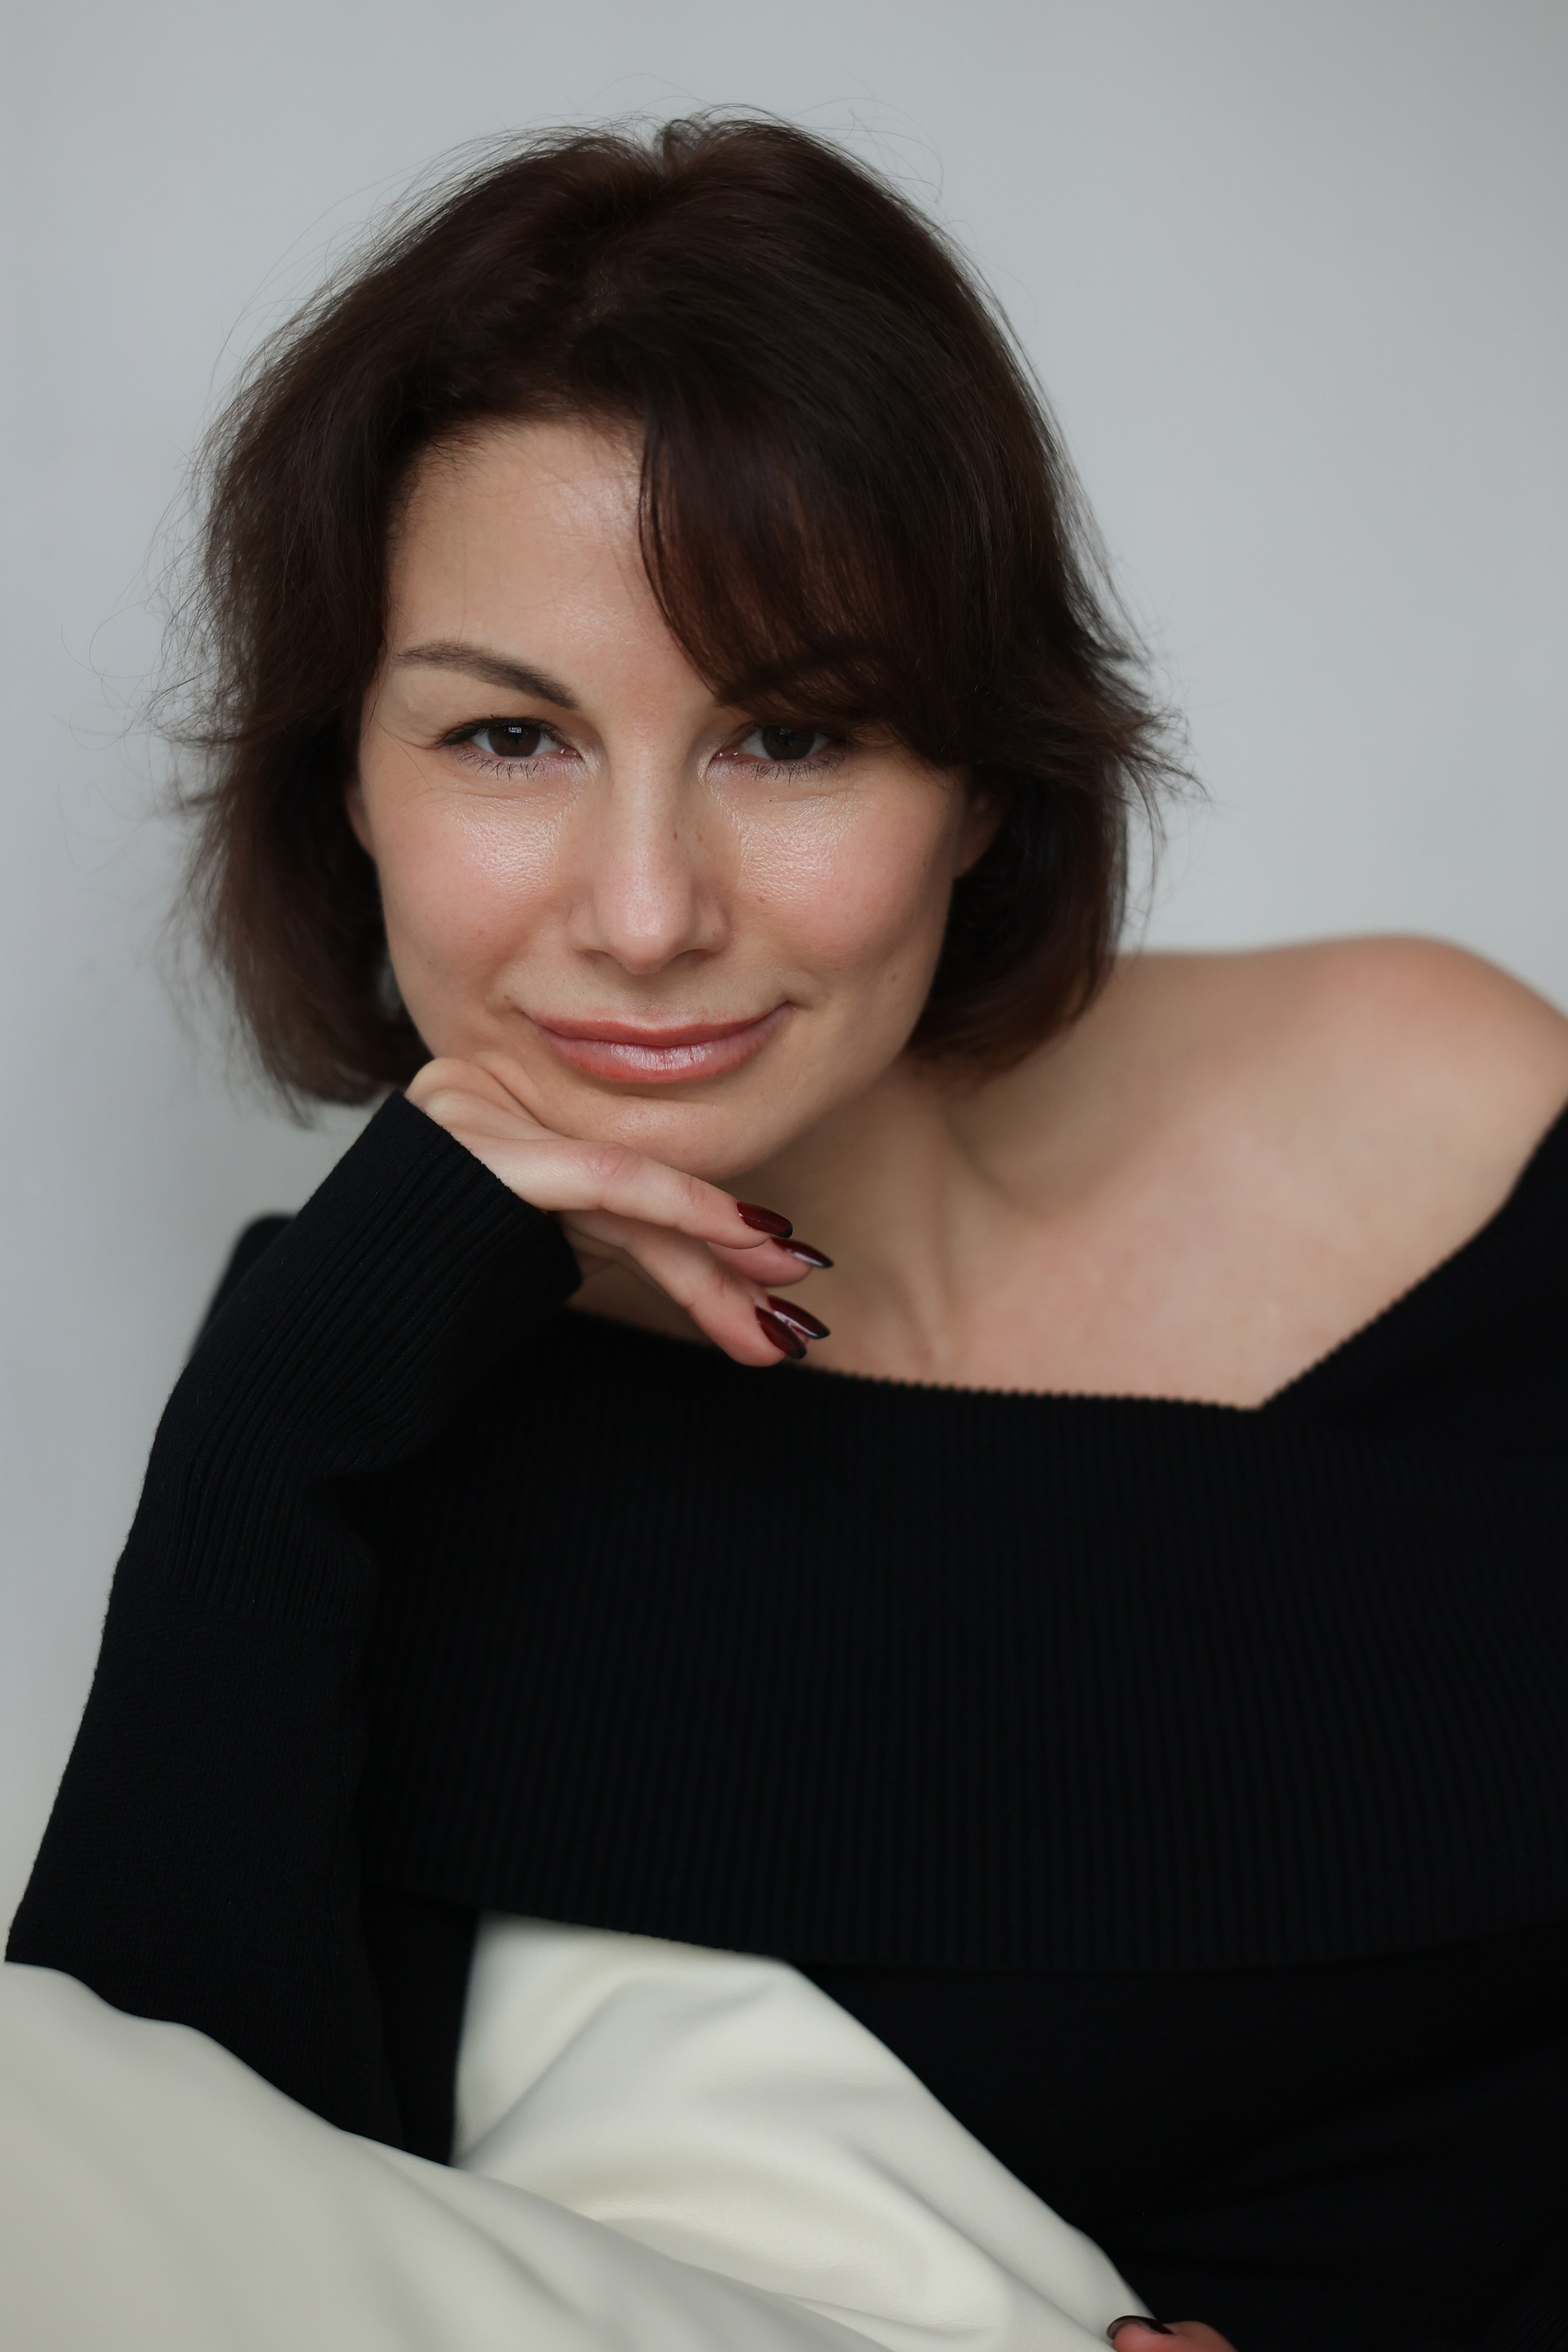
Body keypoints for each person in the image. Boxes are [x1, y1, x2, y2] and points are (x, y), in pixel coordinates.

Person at [9, 114, 1568, 2352]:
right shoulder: (350, 1415)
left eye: (792, 736)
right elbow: (163, 2215)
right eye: (509, 737)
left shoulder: (1443, 1103)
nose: (647, 913)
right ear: (348, 783)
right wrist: (283, 1413)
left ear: (986, 776)